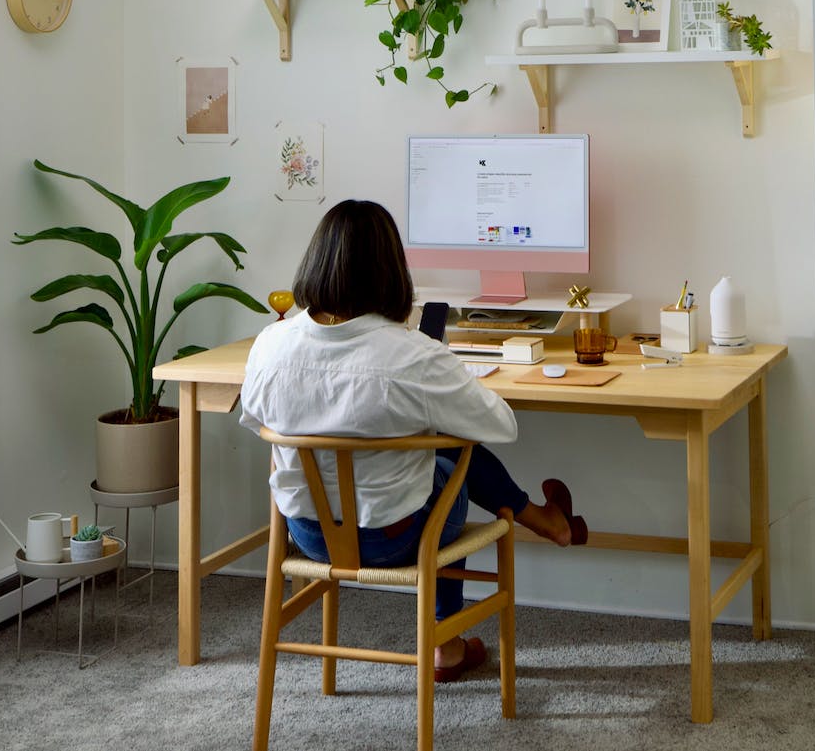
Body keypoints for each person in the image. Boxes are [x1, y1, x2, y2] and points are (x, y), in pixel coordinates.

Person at [240, 198, 583, 683]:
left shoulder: (269, 345)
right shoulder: (412, 355)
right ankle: (445, 641)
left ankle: (542, 527)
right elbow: (502, 424)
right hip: (395, 539)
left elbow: (255, 419)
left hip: (308, 537)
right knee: (454, 454)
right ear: (391, 270)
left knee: (433, 453)